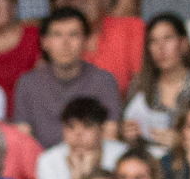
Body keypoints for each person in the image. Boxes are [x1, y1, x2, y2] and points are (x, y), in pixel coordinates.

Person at [11, 8, 121, 149]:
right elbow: (23, 142)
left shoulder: (104, 81)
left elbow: (109, 138)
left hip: (93, 164)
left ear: (86, 41)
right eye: (57, 35)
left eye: (73, 35)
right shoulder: (27, 84)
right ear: (45, 42)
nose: (65, 43)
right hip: (42, 166)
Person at [121, 15, 190, 152]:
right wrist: (127, 133)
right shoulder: (139, 85)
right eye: (153, 41)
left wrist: (181, 141)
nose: (160, 47)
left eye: (167, 38)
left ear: (183, 44)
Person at [55, 0, 145, 93]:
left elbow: (141, 85)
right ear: (62, 3)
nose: (80, 1)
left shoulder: (132, 27)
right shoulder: (54, 38)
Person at [34, 97, 128, 179]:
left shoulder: (122, 154)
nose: (78, 133)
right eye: (71, 127)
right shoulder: (48, 160)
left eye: (87, 126)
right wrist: (76, 178)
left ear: (102, 129)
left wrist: (92, 171)